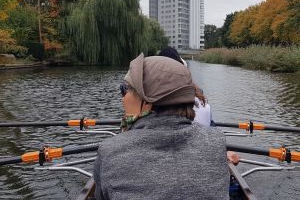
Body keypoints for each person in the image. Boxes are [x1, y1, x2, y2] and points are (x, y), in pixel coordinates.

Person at [93, 54, 230, 200]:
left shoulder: (110, 151)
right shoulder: (217, 141)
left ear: (147, 104)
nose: (123, 97)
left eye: (126, 89)